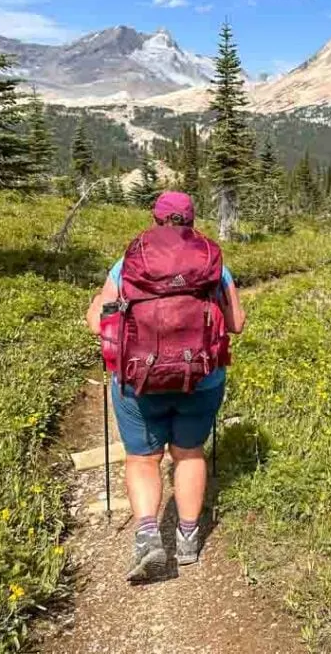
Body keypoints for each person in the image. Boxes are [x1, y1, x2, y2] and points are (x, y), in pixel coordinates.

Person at [86, 192, 246, 582]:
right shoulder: (212, 262)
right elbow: (237, 323)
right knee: (189, 452)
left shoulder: (129, 262)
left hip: (139, 381)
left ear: (155, 220)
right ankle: (188, 539)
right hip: (201, 378)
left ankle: (147, 536)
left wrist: (98, 302)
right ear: (191, 222)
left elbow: (97, 323)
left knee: (143, 459)